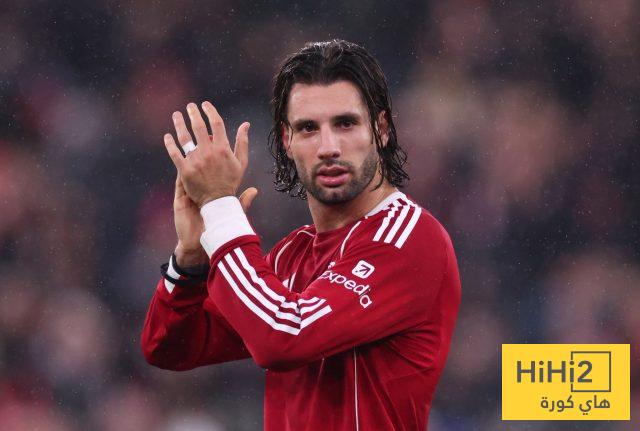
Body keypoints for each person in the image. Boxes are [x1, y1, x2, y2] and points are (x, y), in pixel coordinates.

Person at [141, 39, 461, 431]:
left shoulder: (409, 239)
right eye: (308, 128)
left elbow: (282, 336)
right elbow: (169, 348)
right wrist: (191, 261)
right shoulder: (292, 254)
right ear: (287, 141)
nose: (328, 147)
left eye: (345, 124)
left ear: (380, 129)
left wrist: (221, 208)